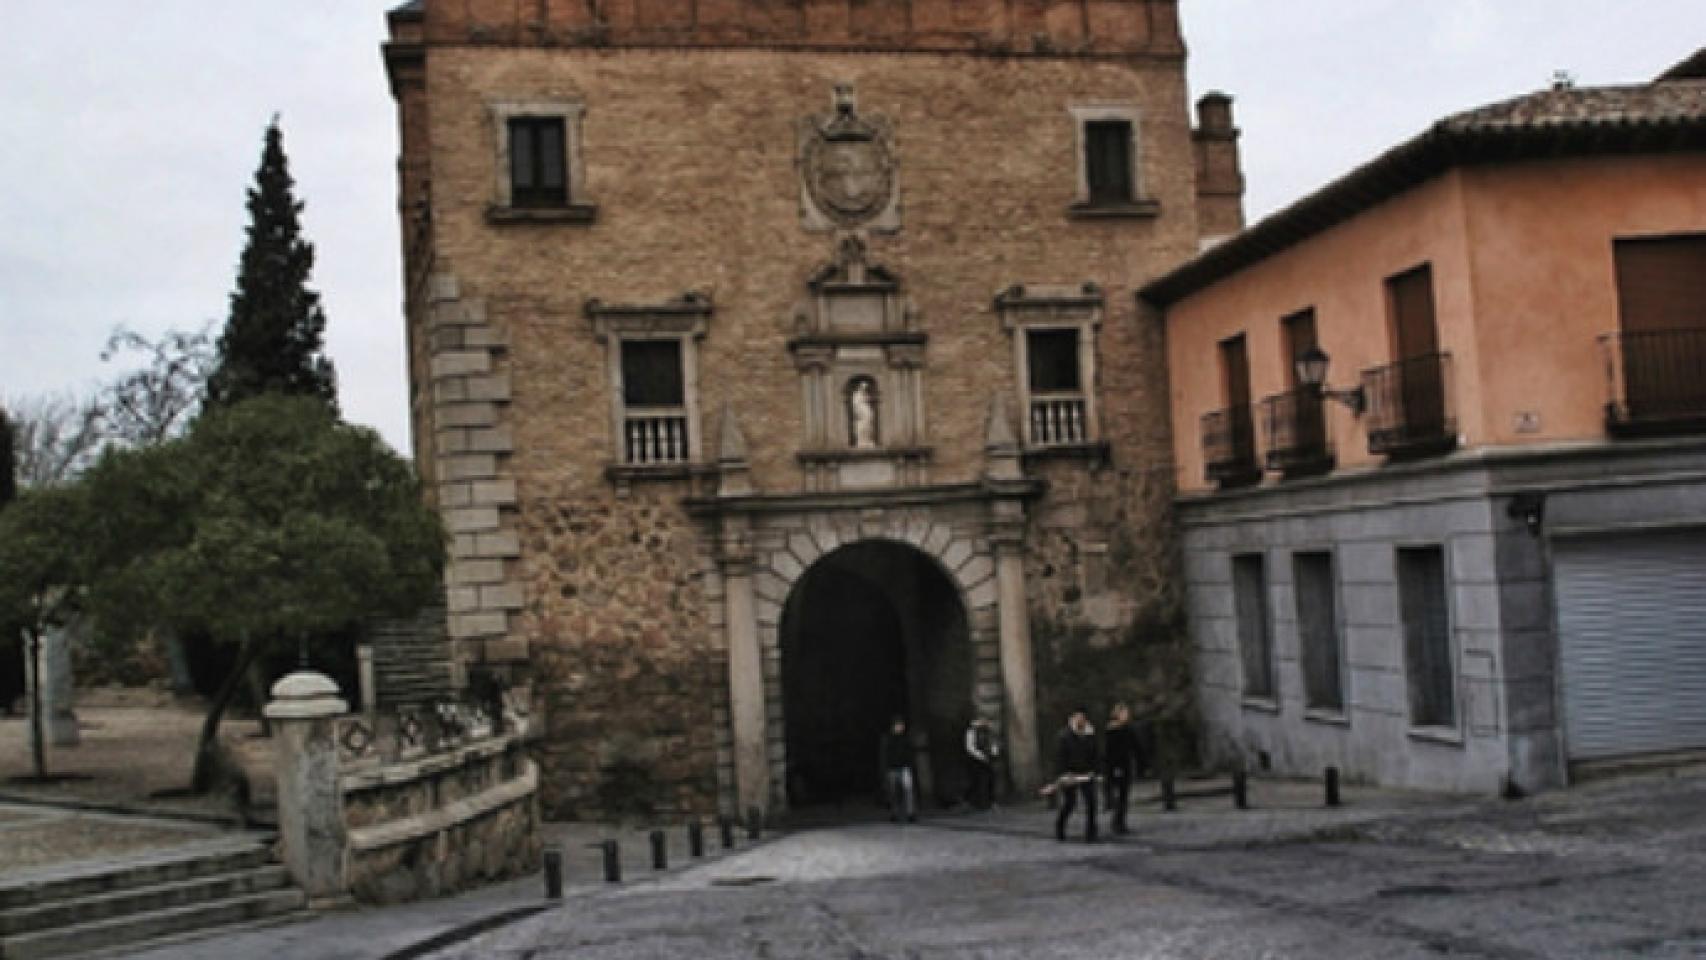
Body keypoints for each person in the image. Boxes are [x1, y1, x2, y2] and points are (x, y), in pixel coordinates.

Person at [1054, 707, 1099, 842]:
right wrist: (1063, 774)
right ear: (1072, 718)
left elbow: (1095, 754)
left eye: (1083, 717)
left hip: (1086, 773)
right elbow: (1060, 756)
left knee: (1091, 802)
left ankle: (1091, 832)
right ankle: (1060, 826)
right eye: (1078, 717)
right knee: (1070, 803)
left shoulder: (1090, 734)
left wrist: (1096, 771)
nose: (1081, 720)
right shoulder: (1064, 735)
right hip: (1070, 773)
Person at [1102, 702, 1145, 835]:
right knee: (1121, 796)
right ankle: (1117, 823)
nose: (1126, 715)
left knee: (1124, 796)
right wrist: (1114, 767)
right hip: (1117, 766)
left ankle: (1120, 822)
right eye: (1123, 713)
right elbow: (1110, 752)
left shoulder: (1128, 729)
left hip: (1126, 764)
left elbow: (1136, 747)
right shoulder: (1113, 731)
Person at [880, 715, 917, 822]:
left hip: (904, 767)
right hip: (892, 768)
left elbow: (910, 752)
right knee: (893, 792)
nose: (901, 727)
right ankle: (894, 813)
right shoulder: (888, 739)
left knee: (908, 790)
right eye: (899, 725)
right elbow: (884, 754)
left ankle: (910, 812)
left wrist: (910, 764)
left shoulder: (906, 738)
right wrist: (885, 768)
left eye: (902, 725)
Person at [963, 716, 1000, 810]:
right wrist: (981, 756)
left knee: (991, 780)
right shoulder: (972, 732)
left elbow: (993, 743)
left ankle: (991, 801)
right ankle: (979, 803)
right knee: (979, 781)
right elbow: (970, 747)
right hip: (976, 759)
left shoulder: (989, 731)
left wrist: (994, 753)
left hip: (988, 758)